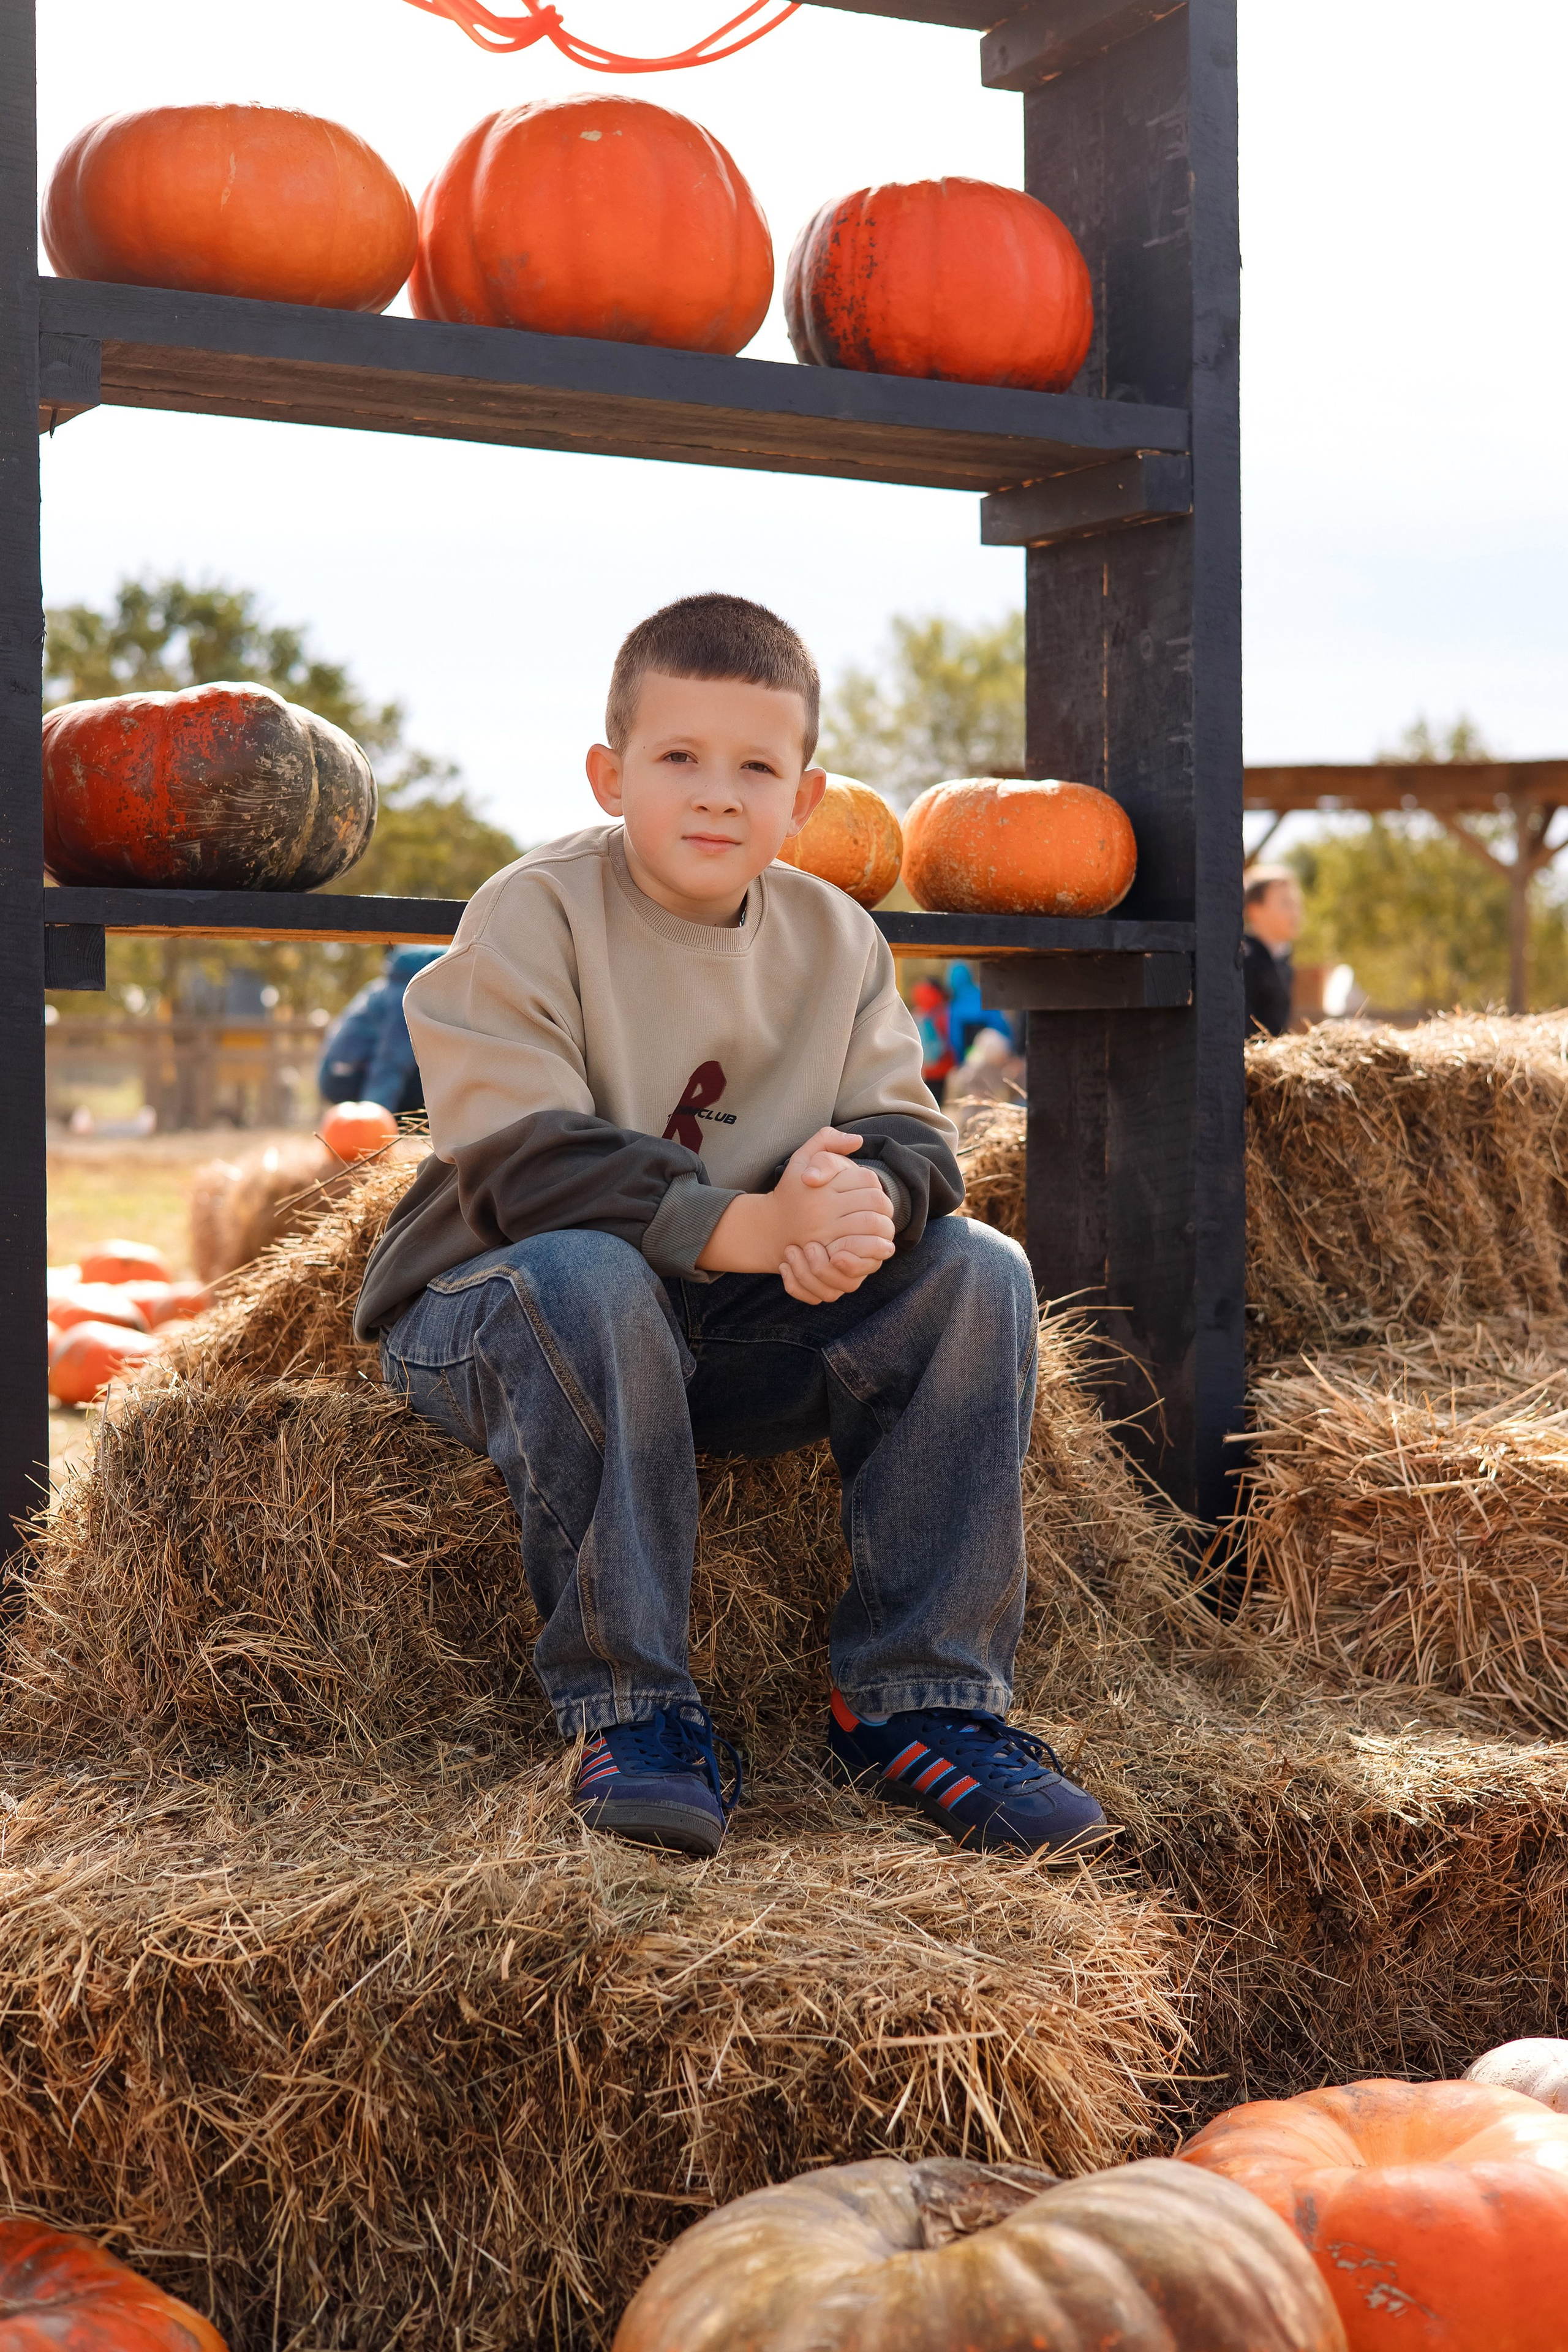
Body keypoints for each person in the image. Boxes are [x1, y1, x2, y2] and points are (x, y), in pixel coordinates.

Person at [354, 592, 1110, 1867]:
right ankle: (633, 1711)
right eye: (676, 760)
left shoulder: (835, 938)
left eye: (754, 767)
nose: (716, 795)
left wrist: (858, 1216)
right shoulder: (532, 912)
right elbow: (520, 1163)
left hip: (721, 1334)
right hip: (499, 1312)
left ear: (804, 797)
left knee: (976, 1272)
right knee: (593, 1276)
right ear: (610, 774)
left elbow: (913, 1134)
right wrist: (751, 1227)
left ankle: (916, 1700)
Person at [317, 945, 446, 1115]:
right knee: (448, 1082)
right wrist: (373, 1120)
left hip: (339, 1072)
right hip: (348, 1078)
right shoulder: (408, 995)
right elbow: (391, 1062)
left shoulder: (391, 984)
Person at [1241, 863, 1303, 1037]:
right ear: (1254, 911)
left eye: (1295, 903)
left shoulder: (1282, 960)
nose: (1295, 912)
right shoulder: (1244, 962)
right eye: (1285, 903)